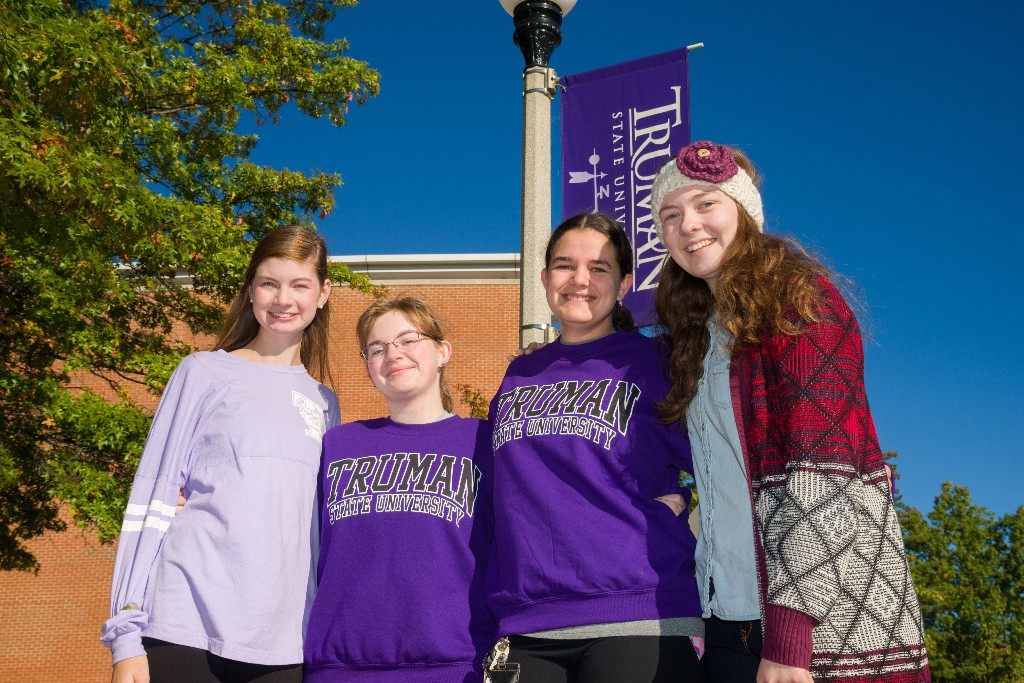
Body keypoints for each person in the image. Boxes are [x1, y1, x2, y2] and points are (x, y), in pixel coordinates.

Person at [651, 140, 930, 682]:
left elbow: (820, 477)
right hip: (726, 621)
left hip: (825, 631)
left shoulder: (801, 303)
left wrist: (790, 635)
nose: (688, 224)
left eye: (706, 204)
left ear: (745, 212)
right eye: (670, 215)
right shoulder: (698, 338)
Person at [101, 224, 339, 683]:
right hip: (184, 624)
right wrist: (126, 636)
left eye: (299, 285)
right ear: (250, 290)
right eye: (269, 283)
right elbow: (152, 498)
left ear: (323, 293)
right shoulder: (202, 372)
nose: (283, 299)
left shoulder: (326, 402)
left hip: (286, 637)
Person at [487, 213, 705, 683]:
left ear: (625, 284)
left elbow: (719, 455)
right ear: (544, 279)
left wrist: (683, 503)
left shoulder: (657, 361)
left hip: (639, 613)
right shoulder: (517, 374)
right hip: (528, 623)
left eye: (599, 267)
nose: (580, 280)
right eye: (564, 265)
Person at [303, 296, 494, 682]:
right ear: (369, 367)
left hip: (453, 667)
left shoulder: (484, 442)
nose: (393, 354)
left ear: (442, 352)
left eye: (408, 340)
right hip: (340, 668)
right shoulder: (338, 445)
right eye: (377, 348)